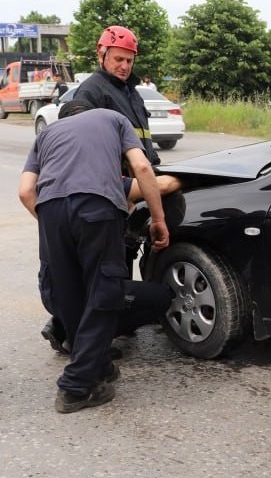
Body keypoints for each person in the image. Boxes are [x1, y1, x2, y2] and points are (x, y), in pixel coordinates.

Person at [19, 99, 170, 413]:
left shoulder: (47, 132)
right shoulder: (114, 117)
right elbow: (142, 167)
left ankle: (97, 366)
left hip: (50, 210)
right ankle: (76, 388)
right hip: (96, 207)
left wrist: (53, 223)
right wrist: (157, 220)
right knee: (105, 294)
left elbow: (25, 192)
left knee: (72, 295)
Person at [73, 25, 159, 166]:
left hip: (141, 176)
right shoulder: (91, 91)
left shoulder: (133, 93)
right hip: (115, 183)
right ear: (101, 56)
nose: (125, 66)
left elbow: (145, 140)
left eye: (129, 61)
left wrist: (154, 164)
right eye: (119, 59)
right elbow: (82, 147)